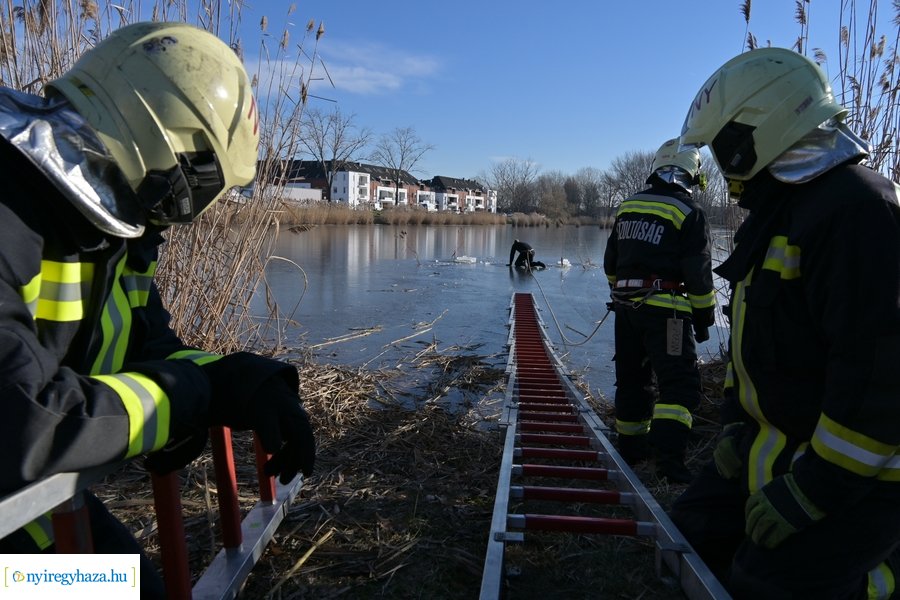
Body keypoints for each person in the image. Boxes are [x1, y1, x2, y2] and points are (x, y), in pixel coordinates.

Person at [0, 22, 316, 598]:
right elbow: (22, 421)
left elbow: (146, 345)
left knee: (128, 584)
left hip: (18, 507)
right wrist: (186, 396)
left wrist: (243, 383)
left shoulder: (104, 229)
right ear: (181, 160)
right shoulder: (10, 209)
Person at [669, 47, 900, 599]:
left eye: (723, 149)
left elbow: (879, 379)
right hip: (784, 457)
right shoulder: (775, 216)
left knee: (769, 586)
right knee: (689, 540)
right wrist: (733, 425)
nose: (722, 168)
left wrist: (815, 490)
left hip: (865, 479)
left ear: (756, 133)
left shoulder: (859, 210)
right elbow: (749, 345)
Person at [603, 138, 716, 483]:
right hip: (669, 317)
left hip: (626, 310)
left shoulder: (628, 206)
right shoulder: (689, 212)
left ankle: (631, 450)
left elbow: (610, 264)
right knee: (678, 387)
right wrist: (704, 319)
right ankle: (669, 465)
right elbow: (698, 276)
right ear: (692, 174)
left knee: (632, 381)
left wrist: (621, 293)